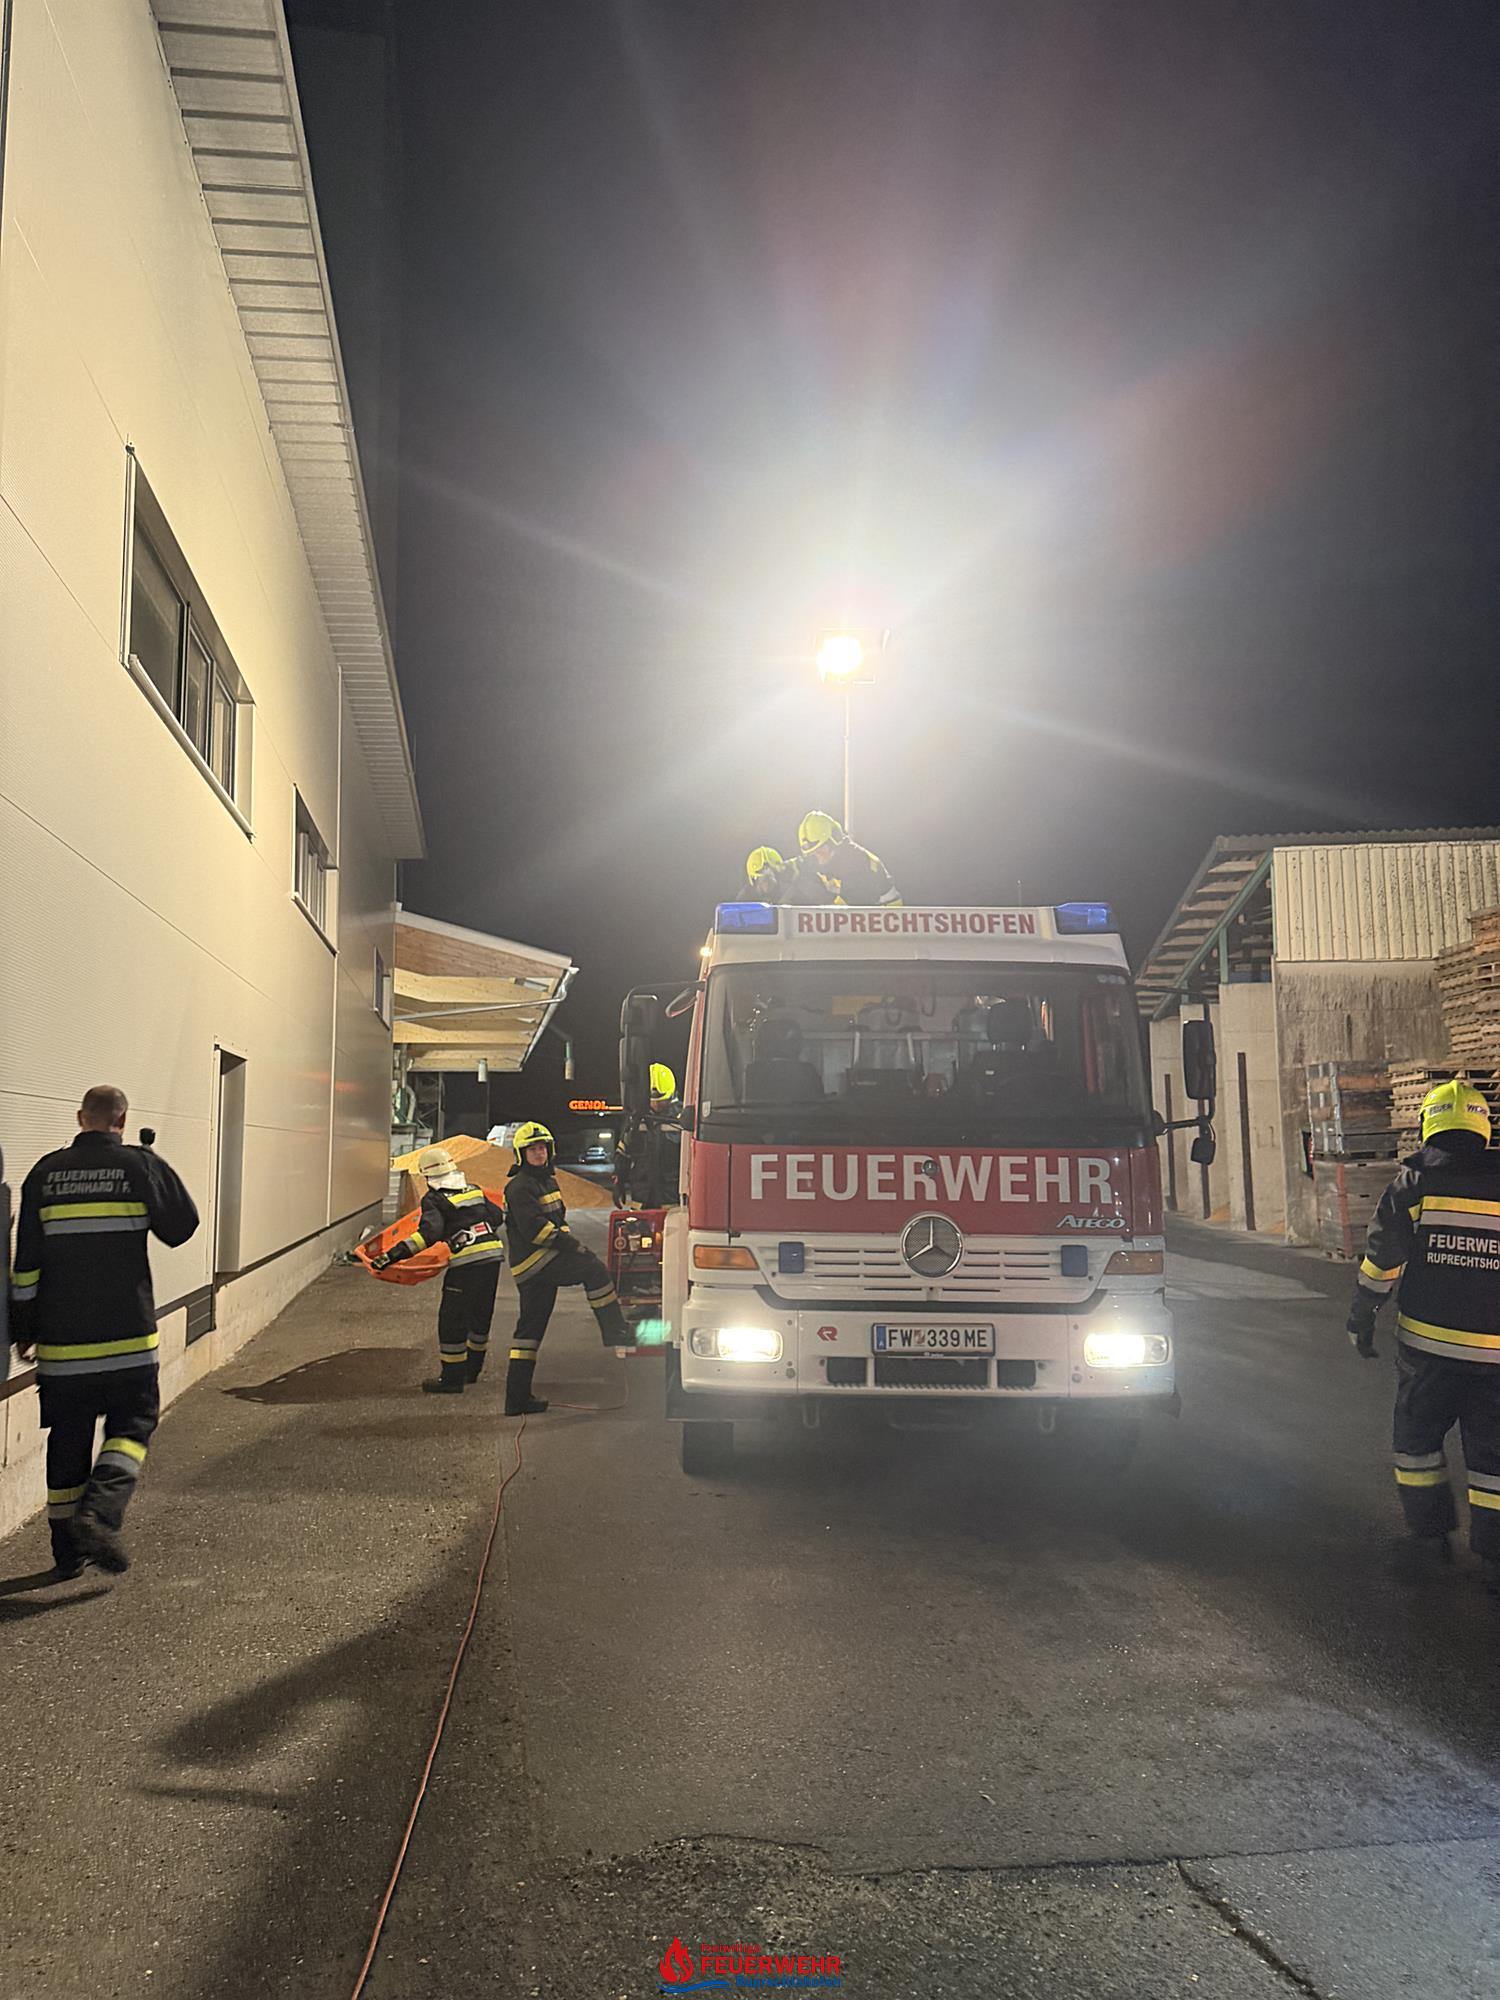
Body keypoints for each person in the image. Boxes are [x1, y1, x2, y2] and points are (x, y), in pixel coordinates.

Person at [8, 1085, 198, 1577]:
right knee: (131, 1428)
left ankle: (66, 1553)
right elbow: (182, 1227)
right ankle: (100, 1512)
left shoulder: (44, 1173)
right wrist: (154, 1162)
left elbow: (26, 1264)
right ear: (123, 1120)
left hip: (62, 1345)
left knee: (68, 1438)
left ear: (80, 1118)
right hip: (128, 1342)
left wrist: (23, 1328)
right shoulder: (138, 1166)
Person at [1347, 1076, 1500, 1589]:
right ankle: (1496, 1556)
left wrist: (1362, 1316)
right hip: (1495, 1358)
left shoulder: (1415, 1184)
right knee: (1494, 1460)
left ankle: (1431, 1534)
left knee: (1416, 1445)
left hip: (1427, 1355)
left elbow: (1382, 1261)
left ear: (1428, 1125)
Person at [504, 1122, 632, 1414]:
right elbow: (536, 1231)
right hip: (536, 1261)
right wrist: (573, 1246)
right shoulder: (520, 1186)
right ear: (521, 1154)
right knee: (594, 1270)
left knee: (530, 1332)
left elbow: (557, 1221)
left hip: (539, 1262)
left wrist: (566, 1241)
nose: (538, 1153)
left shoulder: (546, 1181)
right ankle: (615, 1331)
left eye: (542, 1148)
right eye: (532, 1150)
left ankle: (516, 1399)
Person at [369, 1145, 505, 1394]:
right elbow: (497, 1217)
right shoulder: (473, 1189)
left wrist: (391, 1256)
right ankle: (472, 1372)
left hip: (467, 1263)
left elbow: (428, 1234)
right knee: (480, 1315)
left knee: (452, 1320)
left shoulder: (434, 1199)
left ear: (427, 1175)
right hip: (493, 1257)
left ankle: (452, 1379)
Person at [794, 810, 902, 907]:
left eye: (821, 850)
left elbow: (850, 910)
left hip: (884, 916)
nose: (818, 858)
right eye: (813, 854)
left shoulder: (857, 862)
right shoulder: (826, 859)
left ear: (834, 841)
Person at [615, 1064, 683, 1207]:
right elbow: (623, 1154)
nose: (656, 1104)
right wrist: (619, 1181)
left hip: (672, 1199)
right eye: (652, 1100)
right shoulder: (636, 1120)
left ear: (672, 1094)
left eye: (661, 1100)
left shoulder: (682, 1120)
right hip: (641, 1197)